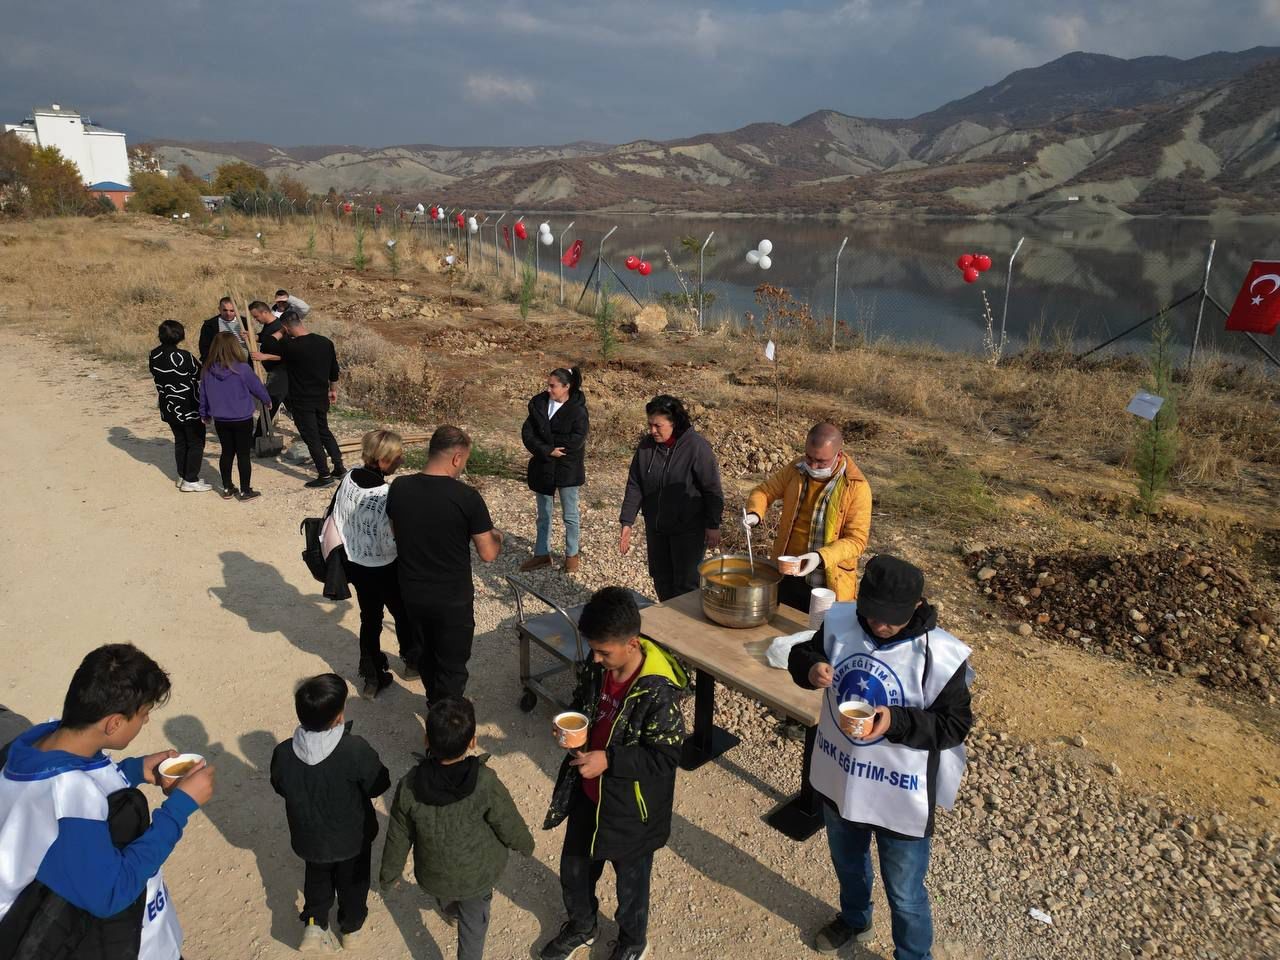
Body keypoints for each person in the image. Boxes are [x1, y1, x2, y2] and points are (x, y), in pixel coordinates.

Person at [787, 556, 973, 959]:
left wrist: (895, 721)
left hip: (900, 794)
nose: (879, 625)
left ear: (917, 607)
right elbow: (800, 655)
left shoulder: (940, 655)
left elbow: (955, 726)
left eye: (891, 619)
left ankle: (913, 954)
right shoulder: (840, 621)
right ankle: (855, 919)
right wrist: (811, 667)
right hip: (844, 778)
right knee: (848, 863)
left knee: (905, 893)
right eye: (871, 614)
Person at [0, 643, 215, 960]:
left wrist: (135, 770)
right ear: (114, 723)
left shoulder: (36, 741)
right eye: (143, 715)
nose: (144, 723)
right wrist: (180, 807)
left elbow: (72, 779)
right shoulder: (70, 796)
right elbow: (111, 892)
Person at [539, 587, 687, 960]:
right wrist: (571, 726)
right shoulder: (596, 665)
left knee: (631, 888)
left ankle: (633, 941)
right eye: (594, 649)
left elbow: (665, 756)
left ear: (632, 643)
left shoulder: (658, 692)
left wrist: (610, 760)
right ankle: (582, 926)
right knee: (574, 870)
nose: (597, 657)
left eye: (605, 651)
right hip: (588, 795)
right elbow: (583, 700)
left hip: (631, 813)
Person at [379, 697, 534, 960]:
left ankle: (450, 909)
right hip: (477, 876)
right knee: (474, 926)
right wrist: (525, 845)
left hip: (435, 874)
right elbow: (506, 819)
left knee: (446, 893)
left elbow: (398, 835)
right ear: (472, 741)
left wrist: (389, 875)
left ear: (427, 741)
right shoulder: (485, 781)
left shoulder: (409, 786)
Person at [270, 674, 390, 953]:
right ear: (338, 716)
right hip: (353, 840)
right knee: (353, 885)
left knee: (317, 876)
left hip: (309, 838)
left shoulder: (284, 753)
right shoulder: (354, 749)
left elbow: (280, 786)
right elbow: (379, 784)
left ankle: (314, 923)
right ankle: (350, 929)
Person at [386, 426, 502, 704]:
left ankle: (433, 703)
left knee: (425, 657)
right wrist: (497, 536)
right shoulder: (467, 498)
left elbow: (394, 531)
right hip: (452, 600)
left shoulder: (399, 487)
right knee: (451, 668)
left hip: (412, 593)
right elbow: (488, 554)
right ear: (456, 458)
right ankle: (444, 734)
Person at [744, 421, 872, 611]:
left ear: (838, 455)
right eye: (809, 457)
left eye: (821, 461)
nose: (813, 465)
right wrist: (755, 513)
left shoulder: (856, 487)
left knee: (816, 632)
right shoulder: (796, 469)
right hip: (787, 571)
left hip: (826, 582)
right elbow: (764, 491)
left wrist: (819, 556)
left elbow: (857, 541)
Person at [331, 429, 412, 700]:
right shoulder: (385, 493)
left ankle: (372, 676)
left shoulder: (349, 477)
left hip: (354, 562)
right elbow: (390, 540)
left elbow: (339, 517)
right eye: (398, 455)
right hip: (384, 566)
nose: (402, 458)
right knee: (403, 613)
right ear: (384, 460)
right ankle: (411, 660)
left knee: (370, 618)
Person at [618, 395, 724, 601]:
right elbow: (635, 484)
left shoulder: (697, 448)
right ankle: (667, 621)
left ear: (674, 423)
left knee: (686, 583)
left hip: (688, 530)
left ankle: (685, 629)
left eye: (658, 425)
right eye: (650, 425)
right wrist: (627, 521)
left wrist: (713, 524)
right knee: (660, 577)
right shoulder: (646, 447)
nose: (652, 431)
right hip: (656, 527)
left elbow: (712, 489)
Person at [254, 311, 345, 488]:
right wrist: (333, 390)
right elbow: (334, 371)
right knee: (324, 431)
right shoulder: (325, 342)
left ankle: (324, 475)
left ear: (286, 327)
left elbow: (268, 342)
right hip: (321, 396)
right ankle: (339, 468)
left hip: (302, 400)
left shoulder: (291, 346)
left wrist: (280, 331)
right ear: (300, 322)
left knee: (312, 437)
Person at [520, 366, 589, 574]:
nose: (549, 389)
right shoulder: (539, 404)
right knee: (544, 514)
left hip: (567, 467)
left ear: (566, 387)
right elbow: (528, 433)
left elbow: (578, 438)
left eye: (553, 386)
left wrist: (553, 447)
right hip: (543, 465)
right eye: (548, 385)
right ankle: (542, 554)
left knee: (570, 515)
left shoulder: (577, 409)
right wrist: (547, 450)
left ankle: (571, 555)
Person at [199, 331, 271, 501]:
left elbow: (203, 394)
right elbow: (257, 387)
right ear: (235, 347)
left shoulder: (207, 370)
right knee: (243, 455)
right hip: (242, 418)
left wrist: (204, 413)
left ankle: (227, 488)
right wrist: (266, 400)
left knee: (227, 453)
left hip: (221, 420)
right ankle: (245, 491)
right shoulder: (242, 369)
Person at [148, 319, 209, 492]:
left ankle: (182, 475)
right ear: (180, 336)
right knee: (196, 442)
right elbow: (200, 374)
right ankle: (191, 479)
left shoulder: (154, 355)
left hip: (168, 405)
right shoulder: (184, 357)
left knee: (180, 441)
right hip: (188, 405)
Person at [247, 300, 288, 437]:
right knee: (293, 405)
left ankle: (258, 436)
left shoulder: (280, 327)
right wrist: (252, 337)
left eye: (256, 316)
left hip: (281, 372)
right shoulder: (268, 325)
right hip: (274, 372)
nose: (256, 319)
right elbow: (265, 338)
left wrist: (264, 356)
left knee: (269, 404)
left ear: (265, 312)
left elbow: (285, 356)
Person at [198, 296, 247, 363]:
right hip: (221, 364)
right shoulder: (210, 325)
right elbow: (204, 347)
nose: (228, 313)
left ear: (236, 310)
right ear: (219, 309)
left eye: (232, 310)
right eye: (225, 310)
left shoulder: (244, 322)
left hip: (243, 362)